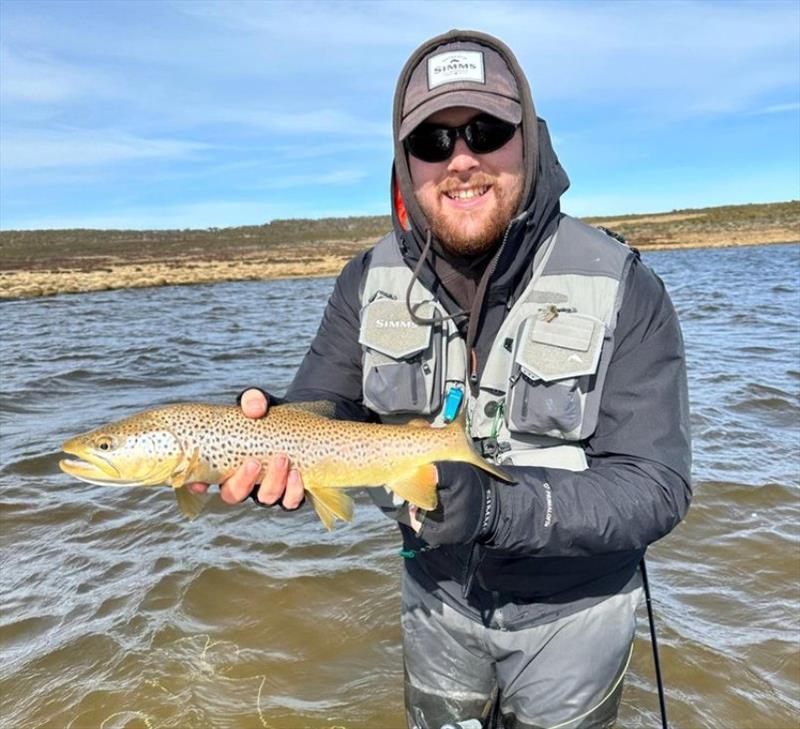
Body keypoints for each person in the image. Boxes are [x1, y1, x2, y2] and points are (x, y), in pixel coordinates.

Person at [190, 29, 692, 729]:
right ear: (406, 162)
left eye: (486, 130)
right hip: (435, 603)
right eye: (433, 142)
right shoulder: (364, 281)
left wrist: (493, 508)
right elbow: (325, 405)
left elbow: (656, 486)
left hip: (575, 616)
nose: (461, 160)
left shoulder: (625, 287)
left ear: (531, 138)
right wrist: (273, 431)